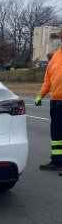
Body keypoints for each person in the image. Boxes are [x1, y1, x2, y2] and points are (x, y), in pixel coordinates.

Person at [35, 34, 62, 171]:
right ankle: (57, 161)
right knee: (56, 134)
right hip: (56, 102)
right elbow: (48, 81)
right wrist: (40, 95)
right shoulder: (55, 58)